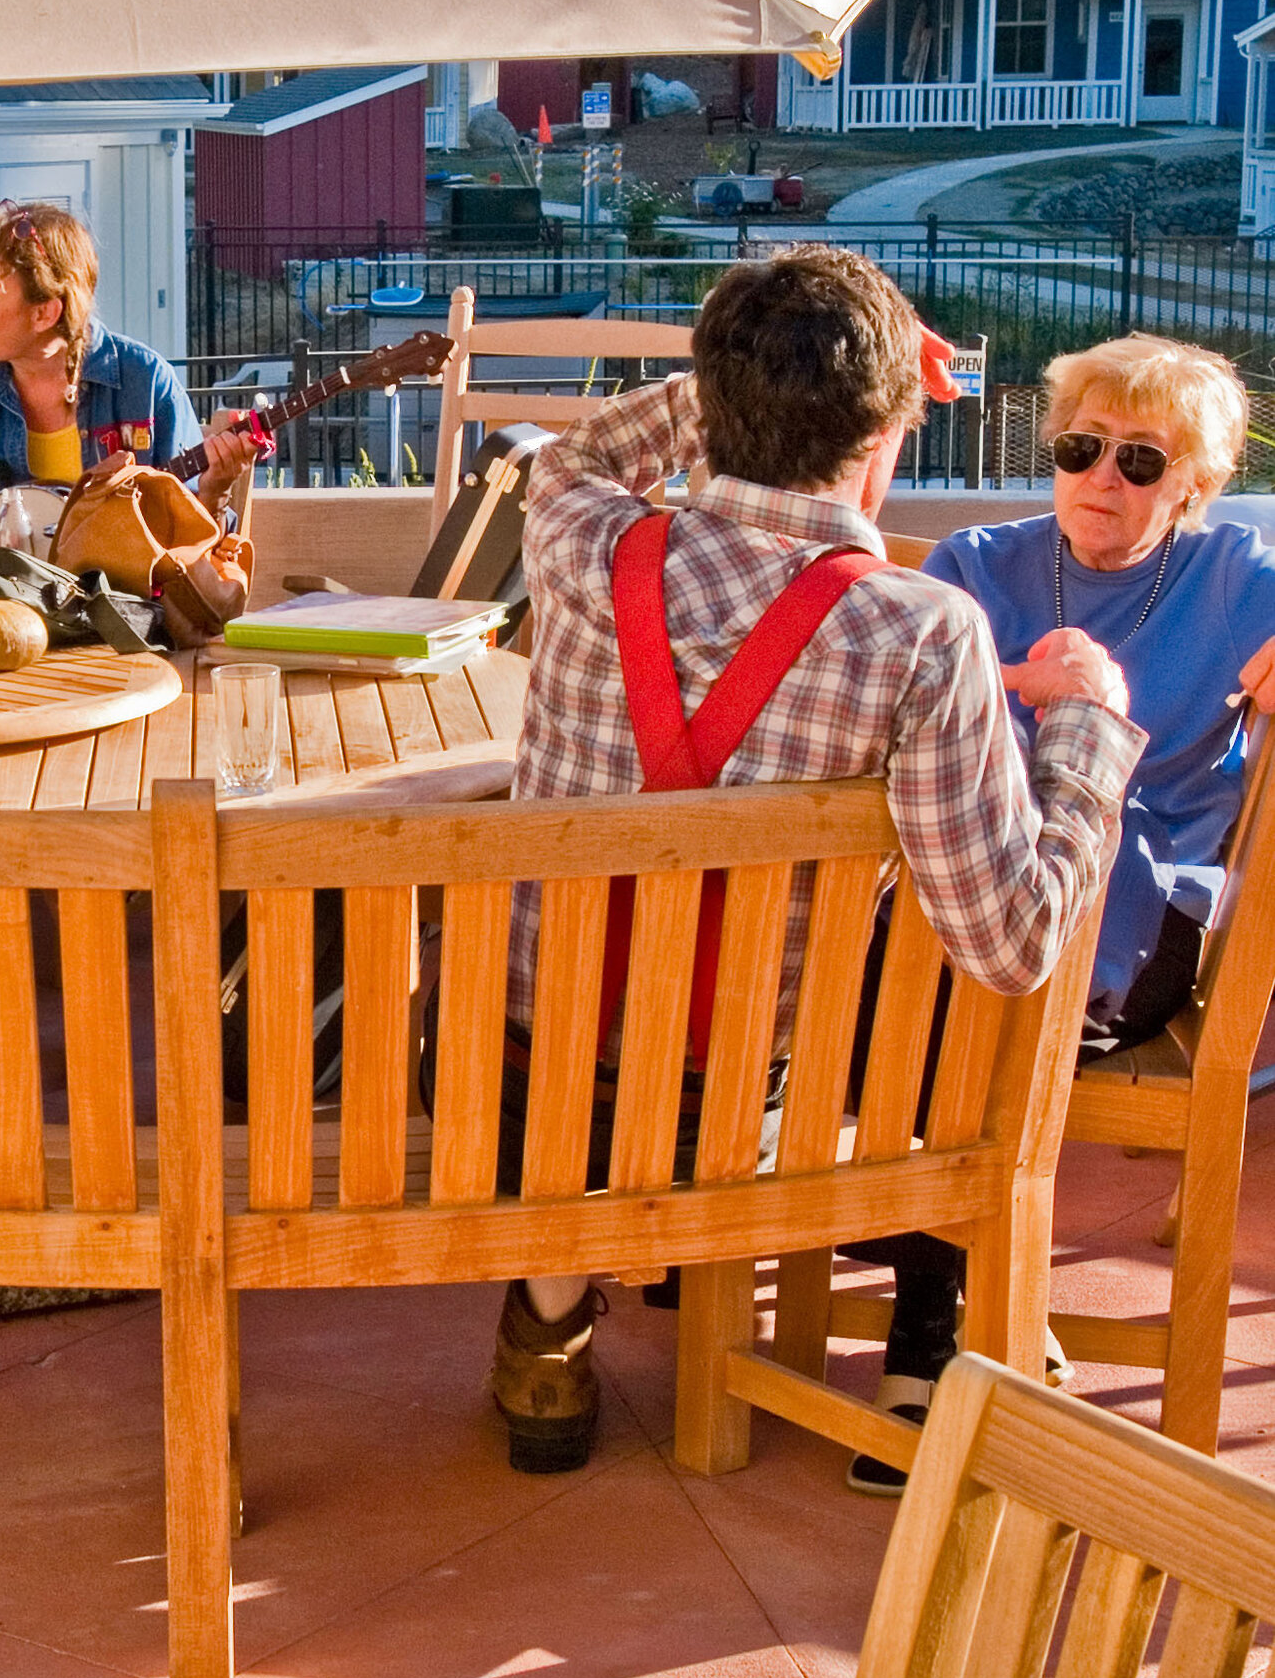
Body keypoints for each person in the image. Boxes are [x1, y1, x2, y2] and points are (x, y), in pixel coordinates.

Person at [483, 245, 1142, 1476]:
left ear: (712, 404)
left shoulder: (578, 538)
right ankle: (930, 1328)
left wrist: (735, 378)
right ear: (887, 431)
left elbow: (578, 455)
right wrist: (1088, 729)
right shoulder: (921, 631)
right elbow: (1010, 942)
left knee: (565, 1025)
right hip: (734, 1114)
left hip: (513, 1092)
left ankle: (551, 1326)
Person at [848, 333, 1275, 1494]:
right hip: (954, 899)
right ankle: (988, 1291)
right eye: (1081, 448)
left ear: (1192, 484)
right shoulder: (976, 561)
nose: (1102, 477)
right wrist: (1019, 686)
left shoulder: (1237, 581)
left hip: (1126, 923)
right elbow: (868, 697)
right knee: (903, 979)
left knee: (940, 1010)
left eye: (1141, 461)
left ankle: (934, 1324)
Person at [0, 201, 255, 535]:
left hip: (120, 616)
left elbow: (190, 544)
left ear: (44, 313)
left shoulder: (147, 384)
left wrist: (215, 491)